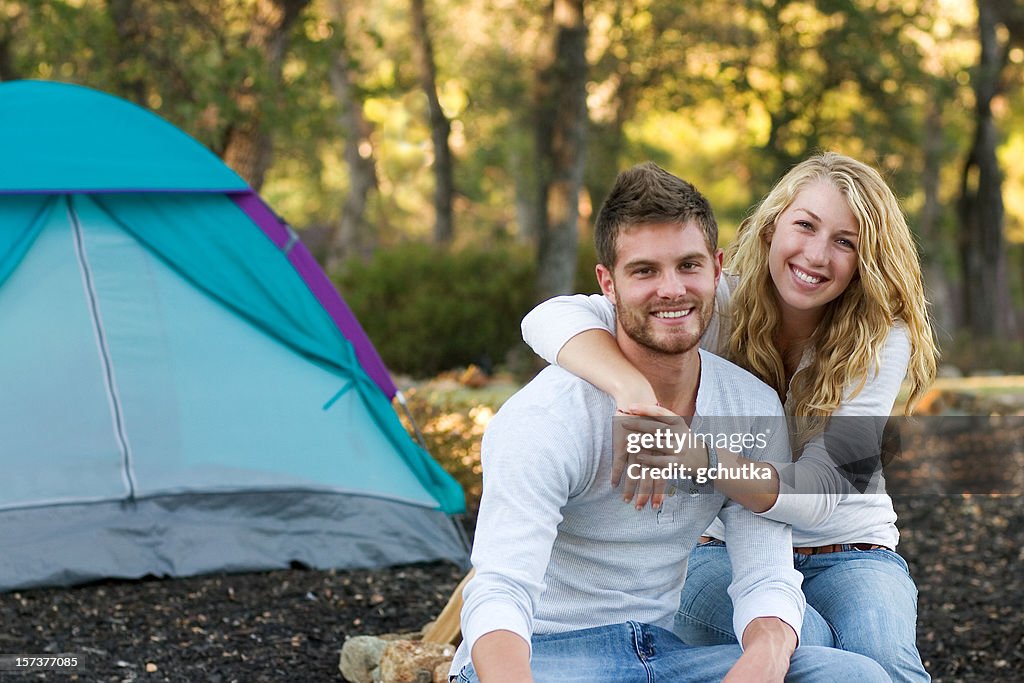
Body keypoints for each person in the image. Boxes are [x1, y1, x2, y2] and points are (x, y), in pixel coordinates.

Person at [450, 162, 890, 683]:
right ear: (607, 284)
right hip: (548, 658)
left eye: (688, 266)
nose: (672, 289)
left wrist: (762, 661)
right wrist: (636, 396)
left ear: (717, 268)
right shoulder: (545, 418)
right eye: (644, 271)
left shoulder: (748, 404)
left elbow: (766, 579)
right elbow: (500, 591)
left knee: (853, 676)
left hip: (663, 655)